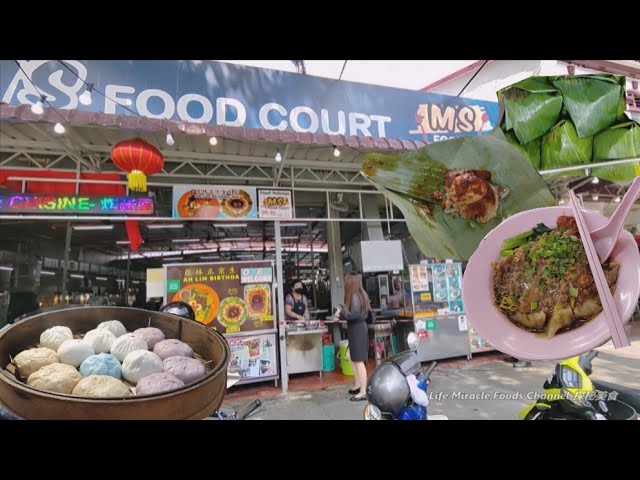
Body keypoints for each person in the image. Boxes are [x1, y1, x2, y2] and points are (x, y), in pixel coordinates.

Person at [336, 272, 371, 401]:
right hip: (358, 329)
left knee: (358, 360)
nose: (344, 283)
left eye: (346, 281)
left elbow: (353, 315)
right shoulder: (361, 294)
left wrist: (341, 311)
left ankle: (363, 391)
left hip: (358, 330)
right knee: (352, 357)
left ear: (351, 282)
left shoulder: (355, 295)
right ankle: (358, 384)